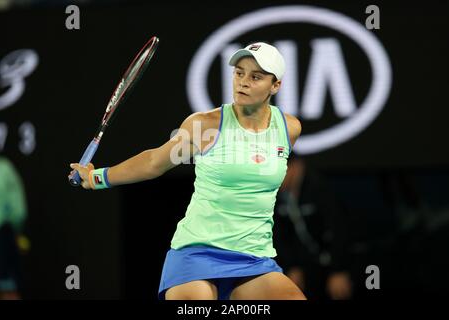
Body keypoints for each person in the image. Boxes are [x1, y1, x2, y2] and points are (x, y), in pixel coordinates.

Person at [70, 42, 306, 300]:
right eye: (239, 73)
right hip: (197, 253)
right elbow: (153, 163)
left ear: (276, 85)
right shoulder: (205, 126)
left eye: (256, 76)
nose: (243, 82)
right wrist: (97, 177)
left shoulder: (289, 129)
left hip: (253, 259)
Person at [273, 155, 352, 300]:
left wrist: (339, 269)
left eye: (276, 169)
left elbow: (339, 229)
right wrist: (292, 266)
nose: (272, 177)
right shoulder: (277, 196)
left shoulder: (320, 187)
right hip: (308, 266)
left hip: (338, 261)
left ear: (294, 167)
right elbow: (280, 234)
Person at [0, 156, 29, 300]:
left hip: (3, 237)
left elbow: (18, 211)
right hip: (4, 236)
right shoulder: (5, 169)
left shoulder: (4, 169)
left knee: (8, 289)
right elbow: (19, 211)